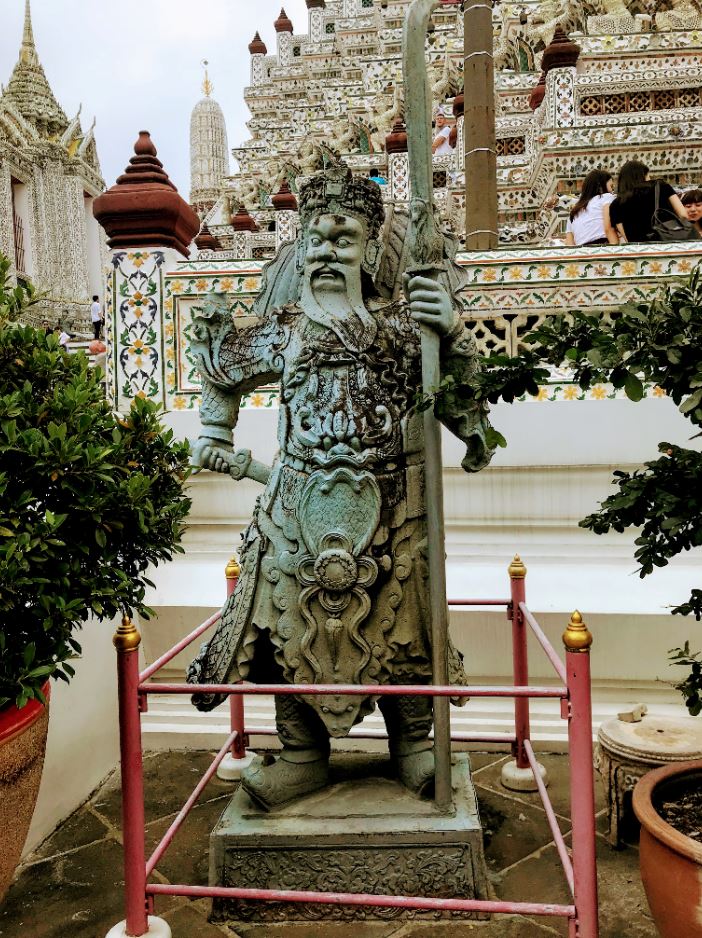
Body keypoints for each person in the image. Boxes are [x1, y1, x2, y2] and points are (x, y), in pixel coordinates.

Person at [187, 164, 494, 809]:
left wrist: (450, 333)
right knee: (287, 633)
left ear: (368, 249)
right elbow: (222, 363)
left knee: (403, 629)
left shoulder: (398, 331)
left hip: (391, 512)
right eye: (318, 240)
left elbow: (463, 404)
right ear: (299, 249)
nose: (329, 252)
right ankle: (302, 752)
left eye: (345, 238)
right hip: (297, 512)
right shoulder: (288, 330)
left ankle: (413, 743)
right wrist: (216, 430)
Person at [607, 160, 689, 243]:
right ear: (644, 175)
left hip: (641, 250)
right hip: (669, 243)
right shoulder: (661, 186)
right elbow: (683, 215)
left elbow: (626, 237)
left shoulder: (615, 204)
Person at [565, 169, 616, 246]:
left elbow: (570, 244)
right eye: (611, 186)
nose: (612, 191)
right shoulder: (607, 197)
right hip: (603, 245)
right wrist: (615, 246)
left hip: (582, 252)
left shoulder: (574, 211)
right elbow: (608, 228)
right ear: (600, 186)